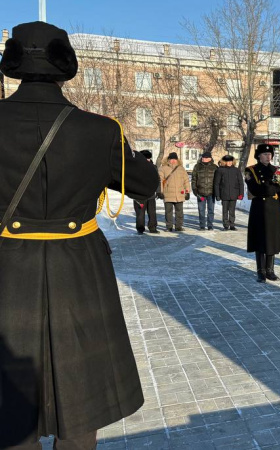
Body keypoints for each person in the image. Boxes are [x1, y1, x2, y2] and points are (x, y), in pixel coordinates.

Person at [0, 22, 159, 449]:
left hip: (7, 267)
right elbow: (145, 185)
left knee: (9, 404)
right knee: (81, 399)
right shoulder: (100, 129)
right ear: (65, 64)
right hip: (79, 268)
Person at [245, 145, 280, 283]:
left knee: (271, 240)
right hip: (259, 208)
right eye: (264, 154)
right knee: (260, 240)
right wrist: (276, 188)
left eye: (270, 154)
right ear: (259, 155)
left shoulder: (276, 170)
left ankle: (270, 270)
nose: (268, 156)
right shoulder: (251, 170)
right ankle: (261, 271)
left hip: (273, 209)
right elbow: (257, 189)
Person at [158, 152, 190, 232]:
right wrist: (160, 192)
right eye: (171, 159)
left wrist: (187, 192)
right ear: (168, 160)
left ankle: (179, 226)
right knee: (168, 212)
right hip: (167, 193)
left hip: (179, 194)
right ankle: (169, 227)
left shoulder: (181, 168)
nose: (173, 161)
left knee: (179, 212)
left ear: (177, 160)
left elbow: (186, 181)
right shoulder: (163, 168)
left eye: (174, 159)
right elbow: (160, 181)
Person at [214, 155, 244, 231]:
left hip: (234, 193)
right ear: (224, 162)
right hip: (224, 193)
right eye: (228, 161)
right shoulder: (220, 170)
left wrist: (241, 194)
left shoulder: (236, 170)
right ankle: (226, 225)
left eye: (230, 161)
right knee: (225, 210)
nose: (229, 163)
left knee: (232, 210)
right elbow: (216, 183)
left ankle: (232, 225)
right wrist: (217, 195)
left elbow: (241, 182)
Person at [133, 150, 159, 234]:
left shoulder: (154, 167)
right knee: (140, 213)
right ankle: (140, 228)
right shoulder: (135, 167)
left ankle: (153, 227)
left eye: (148, 158)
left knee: (152, 212)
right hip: (139, 195)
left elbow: (157, 180)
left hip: (151, 195)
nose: (147, 160)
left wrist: (158, 191)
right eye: (146, 158)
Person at [192, 151, 218, 230]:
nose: (204, 159)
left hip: (211, 192)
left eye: (206, 157)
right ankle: (202, 225)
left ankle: (210, 225)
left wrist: (217, 191)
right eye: (203, 157)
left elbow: (218, 180)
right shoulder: (197, 166)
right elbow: (194, 179)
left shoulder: (215, 167)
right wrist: (195, 190)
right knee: (201, 210)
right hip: (200, 192)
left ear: (210, 158)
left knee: (211, 210)